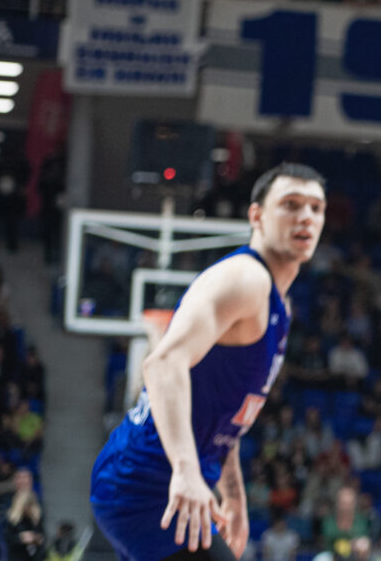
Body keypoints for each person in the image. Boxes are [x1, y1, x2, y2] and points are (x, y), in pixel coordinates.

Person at [90, 163, 327, 561]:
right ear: (257, 216)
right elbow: (162, 364)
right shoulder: (245, 280)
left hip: (160, 480)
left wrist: (233, 492)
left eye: (316, 208)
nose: (306, 217)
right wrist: (186, 470)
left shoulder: (277, 303)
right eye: (290, 204)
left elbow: (226, 411)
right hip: (148, 483)